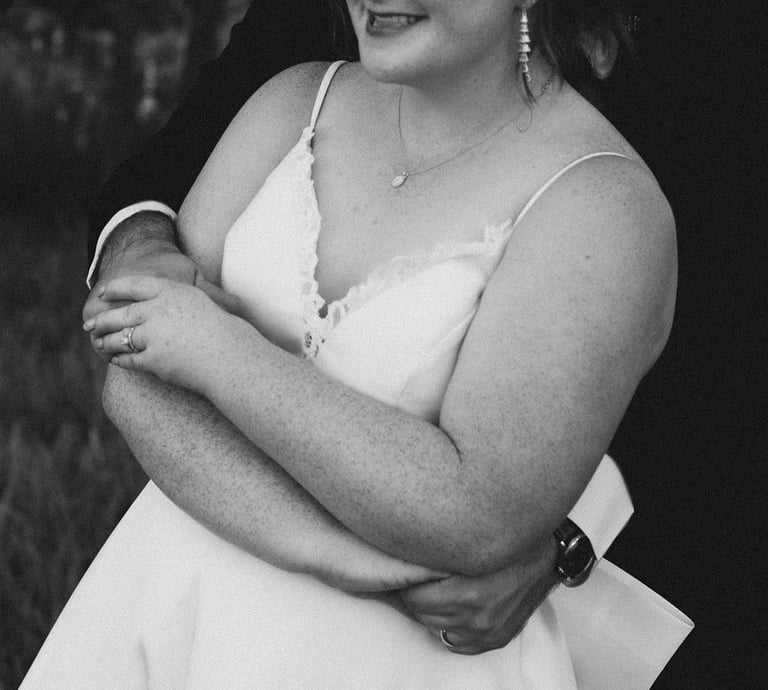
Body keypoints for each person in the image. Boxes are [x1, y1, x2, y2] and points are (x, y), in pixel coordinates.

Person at [23, 1, 691, 688]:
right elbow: (136, 379)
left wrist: (215, 348)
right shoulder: (292, 104)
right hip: (169, 606)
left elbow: (474, 511)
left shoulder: (603, 206)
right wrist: (341, 557)